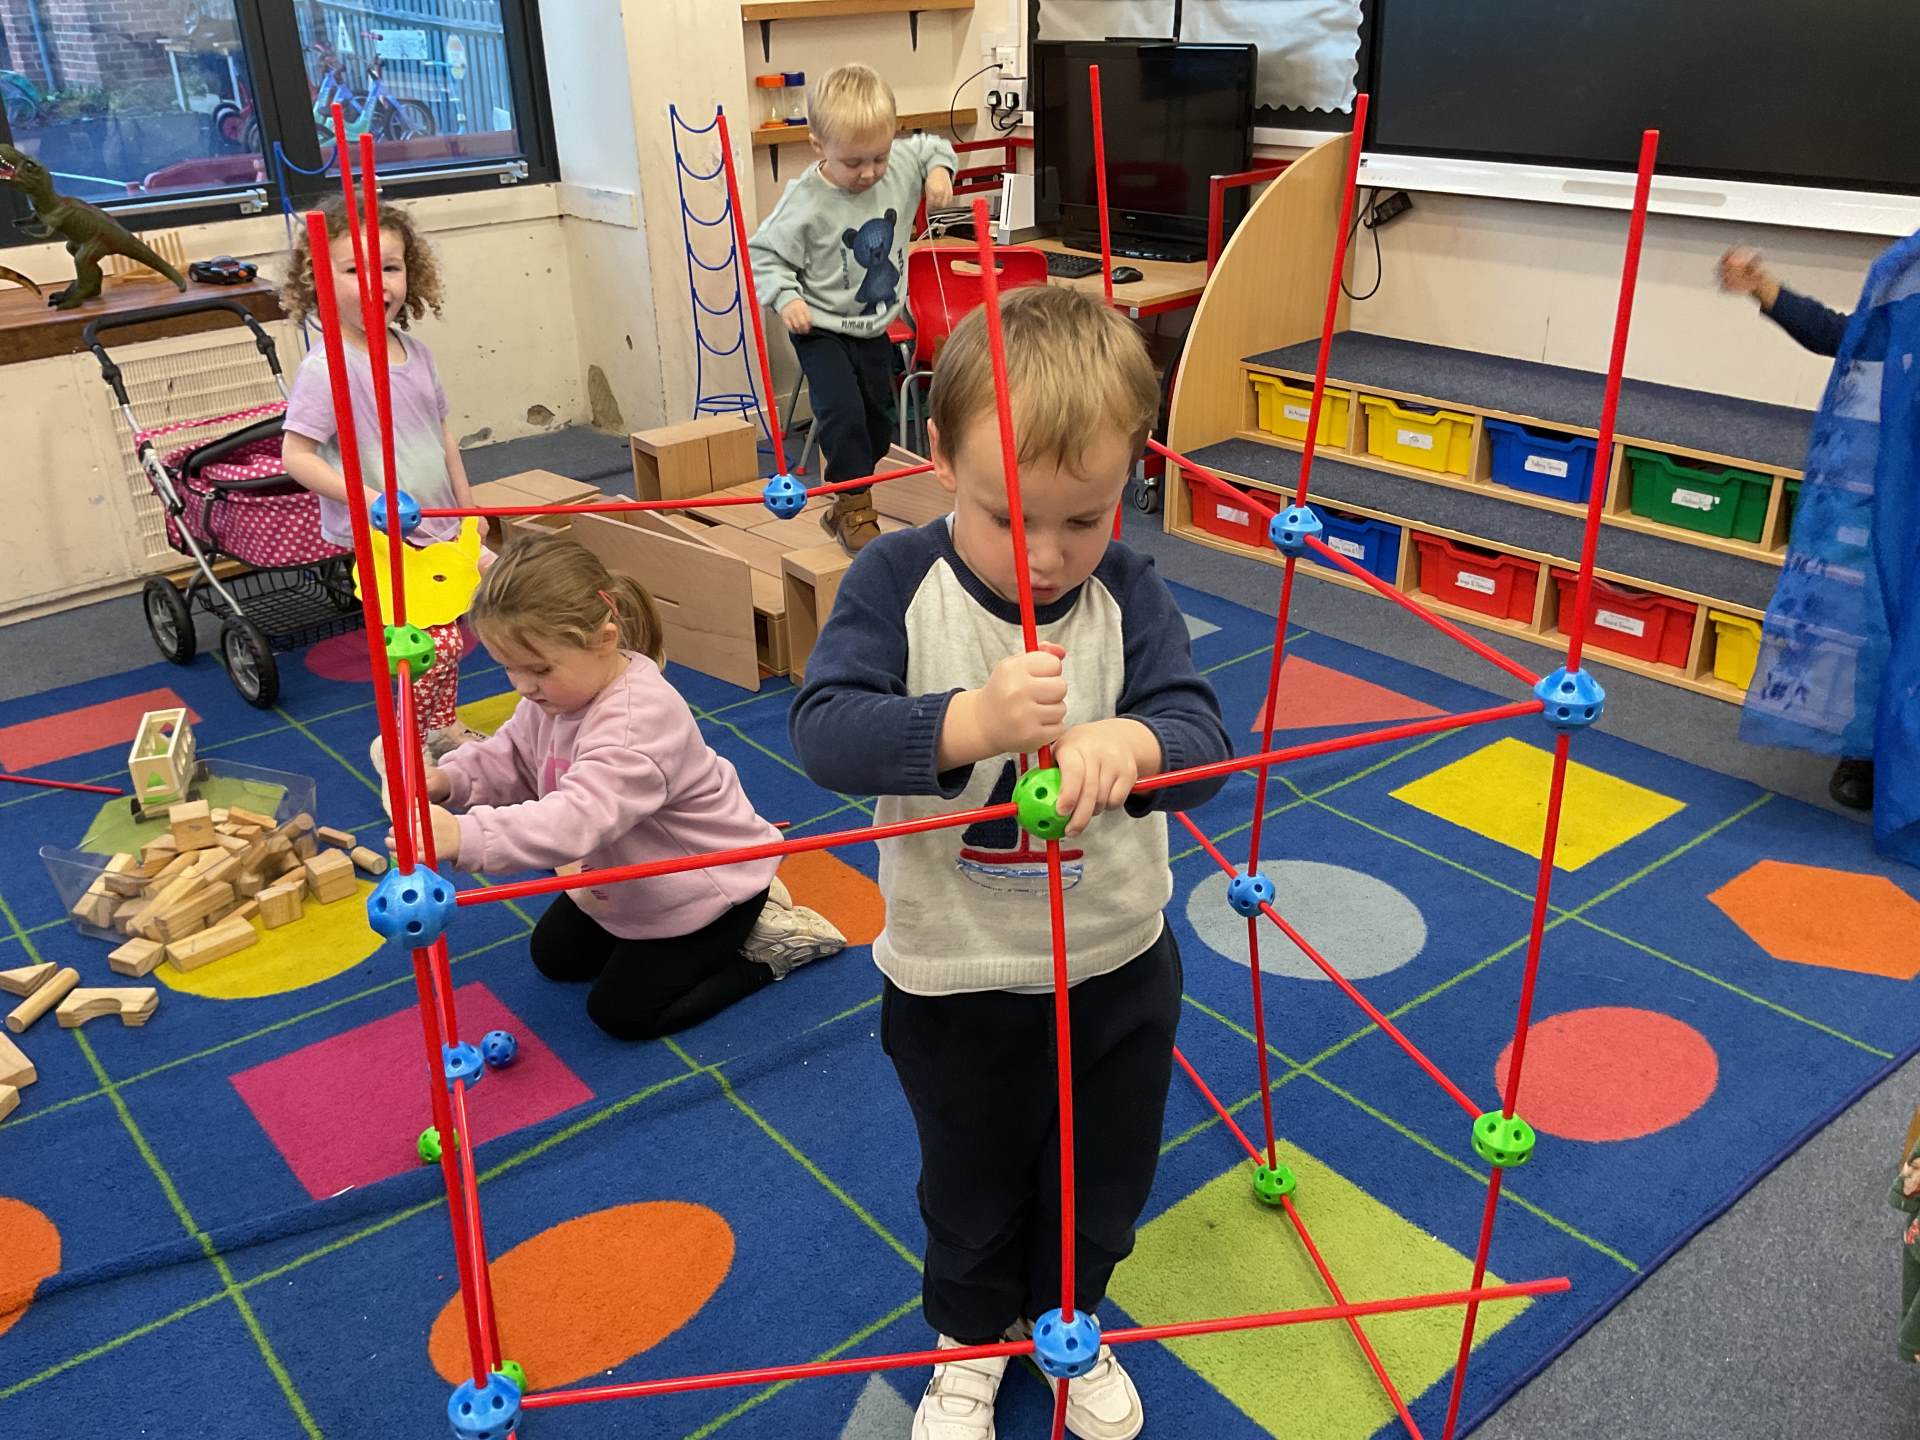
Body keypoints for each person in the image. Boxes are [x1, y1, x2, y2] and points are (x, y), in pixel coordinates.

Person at [790, 285, 1233, 1440]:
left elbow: (1203, 742)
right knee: (972, 1184)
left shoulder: (1129, 593)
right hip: (956, 976)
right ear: (941, 456)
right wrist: (967, 725)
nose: (1045, 555)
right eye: (1008, 517)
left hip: (1116, 967)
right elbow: (823, 732)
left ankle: (1068, 1318)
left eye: (1084, 518)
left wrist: (1132, 744)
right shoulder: (898, 582)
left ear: (1129, 477)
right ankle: (971, 1338)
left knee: (1103, 1182)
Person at [407, 534, 846, 1040]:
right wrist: (451, 780)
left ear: (604, 639)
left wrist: (466, 836)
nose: (522, 685)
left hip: (709, 885)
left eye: (538, 669)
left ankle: (766, 950)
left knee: (622, 1013)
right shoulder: (556, 696)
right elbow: (513, 754)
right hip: (629, 875)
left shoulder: (637, 723)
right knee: (555, 958)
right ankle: (710, 937)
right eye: (509, 668)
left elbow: (575, 821)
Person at [1718, 240, 1920, 853]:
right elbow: (1845, 337)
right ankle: (1872, 753)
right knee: (1883, 626)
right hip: (1904, 502)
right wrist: (1763, 287)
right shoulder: (1910, 298)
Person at [282, 193, 487, 762]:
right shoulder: (327, 367)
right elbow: (296, 455)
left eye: (390, 267)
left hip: (439, 523)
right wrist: (372, 498)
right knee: (424, 646)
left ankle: (440, 725)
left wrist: (468, 508)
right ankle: (401, 746)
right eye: (355, 270)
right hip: (383, 538)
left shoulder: (416, 354)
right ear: (320, 282)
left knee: (451, 635)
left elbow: (444, 436)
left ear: (409, 274)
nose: (378, 284)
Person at [749, 63, 956, 554]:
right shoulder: (806, 200)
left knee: (877, 424)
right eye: (853, 162)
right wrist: (786, 297)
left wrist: (939, 172)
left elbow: (934, 147)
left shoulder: (897, 163)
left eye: (879, 157)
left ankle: (848, 495)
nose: (869, 173)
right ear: (818, 146)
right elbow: (764, 253)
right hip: (819, 326)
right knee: (841, 414)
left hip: (873, 326)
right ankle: (854, 507)